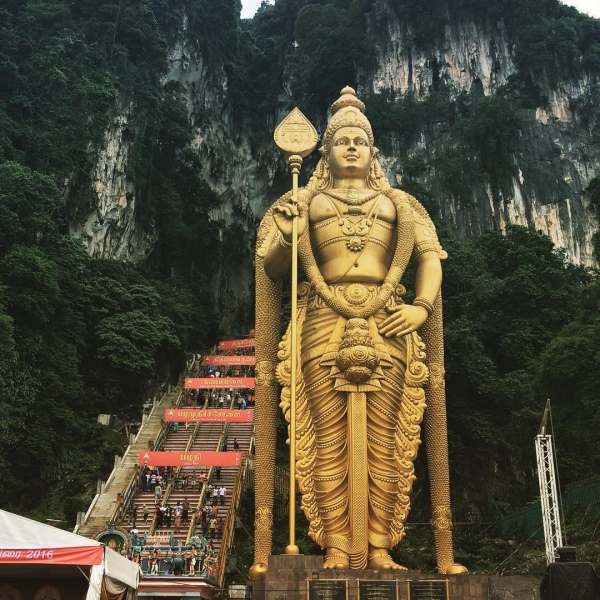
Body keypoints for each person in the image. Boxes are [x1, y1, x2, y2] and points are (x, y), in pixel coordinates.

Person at [251, 87, 465, 575]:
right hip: (322, 322)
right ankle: (334, 545)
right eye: (342, 140)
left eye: (360, 141)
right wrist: (287, 233)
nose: (351, 147)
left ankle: (378, 546)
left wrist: (421, 307)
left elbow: (429, 258)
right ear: (324, 151)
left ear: (373, 152)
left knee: (388, 440)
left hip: (389, 319)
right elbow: (273, 267)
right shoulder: (304, 200)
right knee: (325, 439)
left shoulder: (401, 205)